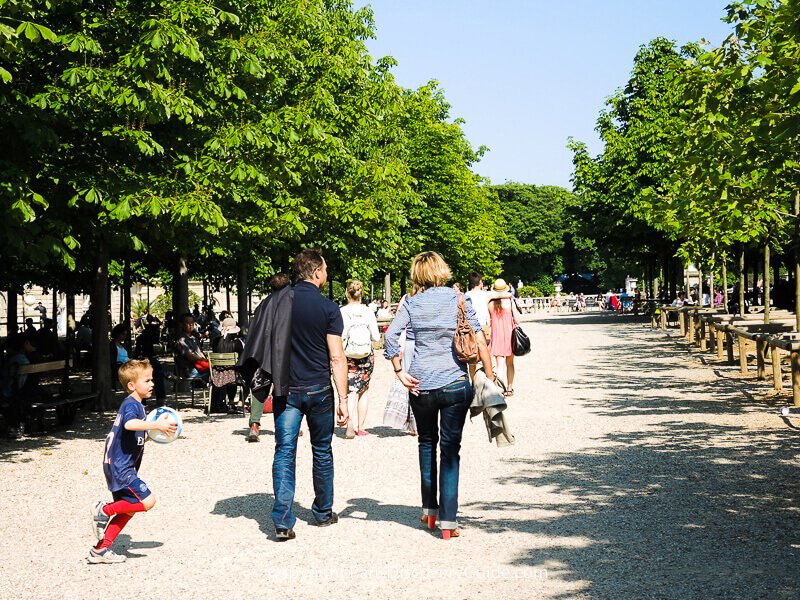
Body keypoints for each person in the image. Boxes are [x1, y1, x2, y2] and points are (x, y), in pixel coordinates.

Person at [384, 251, 495, 540]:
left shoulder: (410, 302)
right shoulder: (459, 298)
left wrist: (399, 370)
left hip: (420, 384)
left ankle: (429, 511)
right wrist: (489, 376)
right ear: (441, 271)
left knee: (425, 443)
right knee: (450, 451)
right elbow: (479, 336)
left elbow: (390, 336)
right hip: (454, 382)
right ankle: (448, 521)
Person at [271, 249, 349, 541]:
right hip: (319, 389)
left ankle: (282, 520)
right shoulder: (328, 308)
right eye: (325, 270)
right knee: (322, 450)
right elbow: (337, 357)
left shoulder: (279, 303)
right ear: (316, 272)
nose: (326, 275)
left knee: (284, 451)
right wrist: (343, 399)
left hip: (286, 389)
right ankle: (323, 511)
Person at [87, 359, 177, 564]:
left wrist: (152, 434)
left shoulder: (138, 405)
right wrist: (156, 424)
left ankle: (100, 551)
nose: (152, 383)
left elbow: (134, 434)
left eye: (152, 379)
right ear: (131, 385)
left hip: (116, 464)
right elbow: (129, 424)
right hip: (121, 467)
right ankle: (104, 510)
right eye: (147, 380)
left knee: (128, 508)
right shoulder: (131, 404)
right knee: (147, 502)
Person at [244, 273, 290, 443]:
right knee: (283, 387)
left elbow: (254, 329)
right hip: (283, 351)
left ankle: (254, 425)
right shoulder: (290, 300)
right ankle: (285, 426)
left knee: (259, 387)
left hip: (262, 351)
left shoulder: (263, 304)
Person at [340, 279, 380, 438]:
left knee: (350, 390)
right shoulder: (368, 311)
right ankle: (361, 427)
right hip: (365, 356)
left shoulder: (342, 311)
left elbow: (341, 336)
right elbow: (376, 337)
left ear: (346, 293)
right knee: (364, 390)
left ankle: (349, 421)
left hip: (348, 355)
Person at [488, 279, 522, 397]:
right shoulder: (509, 301)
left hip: (496, 335)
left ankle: (498, 389)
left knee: (499, 364)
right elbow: (517, 320)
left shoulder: (490, 303)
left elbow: (488, 321)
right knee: (510, 363)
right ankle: (509, 388)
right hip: (509, 335)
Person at [209, 316, 245, 414]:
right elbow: (242, 358)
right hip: (233, 376)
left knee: (229, 371)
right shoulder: (237, 343)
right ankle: (234, 403)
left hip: (217, 375)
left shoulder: (215, 341)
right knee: (238, 372)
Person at [174, 313, 208, 379]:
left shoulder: (194, 338)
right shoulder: (181, 340)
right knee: (216, 374)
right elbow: (190, 356)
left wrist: (206, 359)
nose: (191, 325)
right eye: (187, 322)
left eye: (192, 322)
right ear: (182, 324)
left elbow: (200, 352)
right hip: (190, 369)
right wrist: (203, 359)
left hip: (200, 366)